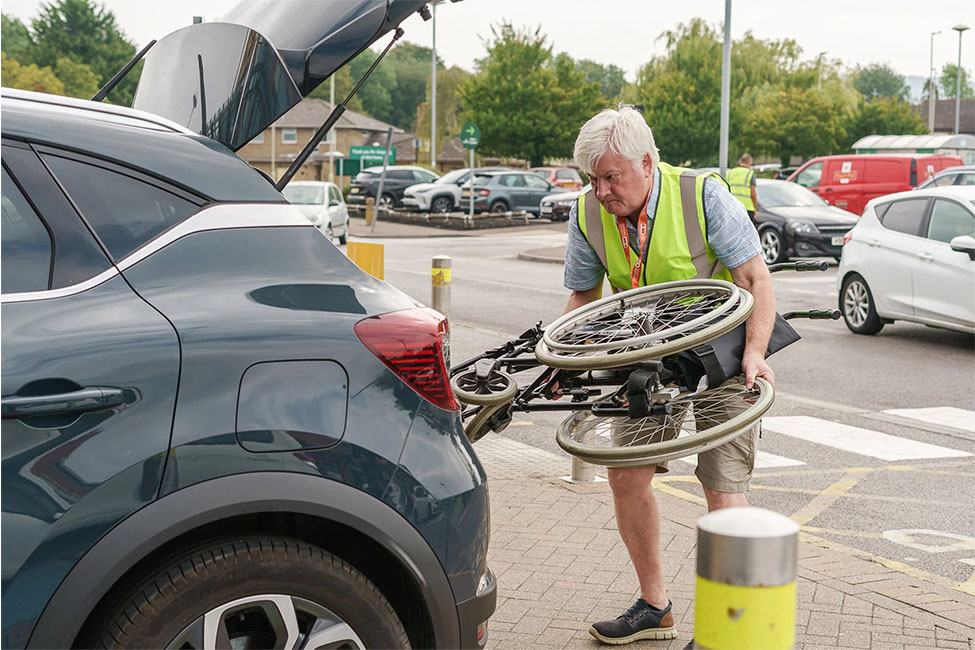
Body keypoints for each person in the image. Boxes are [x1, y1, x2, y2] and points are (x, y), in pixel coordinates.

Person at [564, 106, 776, 645]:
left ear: (646, 163)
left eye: (611, 177)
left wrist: (756, 353)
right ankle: (654, 606)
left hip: (724, 353)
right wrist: (570, 358)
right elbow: (584, 299)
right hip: (652, 354)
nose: (601, 190)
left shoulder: (702, 196)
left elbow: (755, 277)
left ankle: (731, 629)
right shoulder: (587, 212)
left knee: (722, 487)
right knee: (626, 476)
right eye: (592, 178)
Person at [727, 153, 759, 223]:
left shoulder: (730, 172)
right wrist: (755, 210)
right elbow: (753, 194)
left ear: (740, 161)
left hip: (732, 208)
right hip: (747, 209)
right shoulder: (750, 173)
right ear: (749, 162)